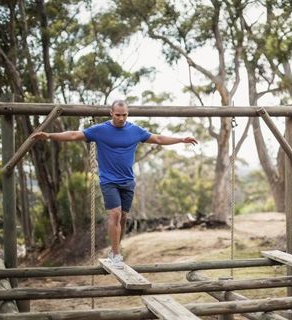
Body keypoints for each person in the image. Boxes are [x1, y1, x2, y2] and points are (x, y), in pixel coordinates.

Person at [33, 100, 198, 269]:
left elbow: (158, 138)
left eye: (124, 115)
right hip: (109, 181)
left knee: (124, 217)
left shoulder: (135, 130)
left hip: (128, 182)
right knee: (115, 215)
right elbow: (74, 135)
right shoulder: (100, 130)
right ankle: (116, 254)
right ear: (111, 113)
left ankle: (115, 250)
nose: (121, 118)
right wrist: (49, 136)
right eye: (118, 115)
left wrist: (181, 139)